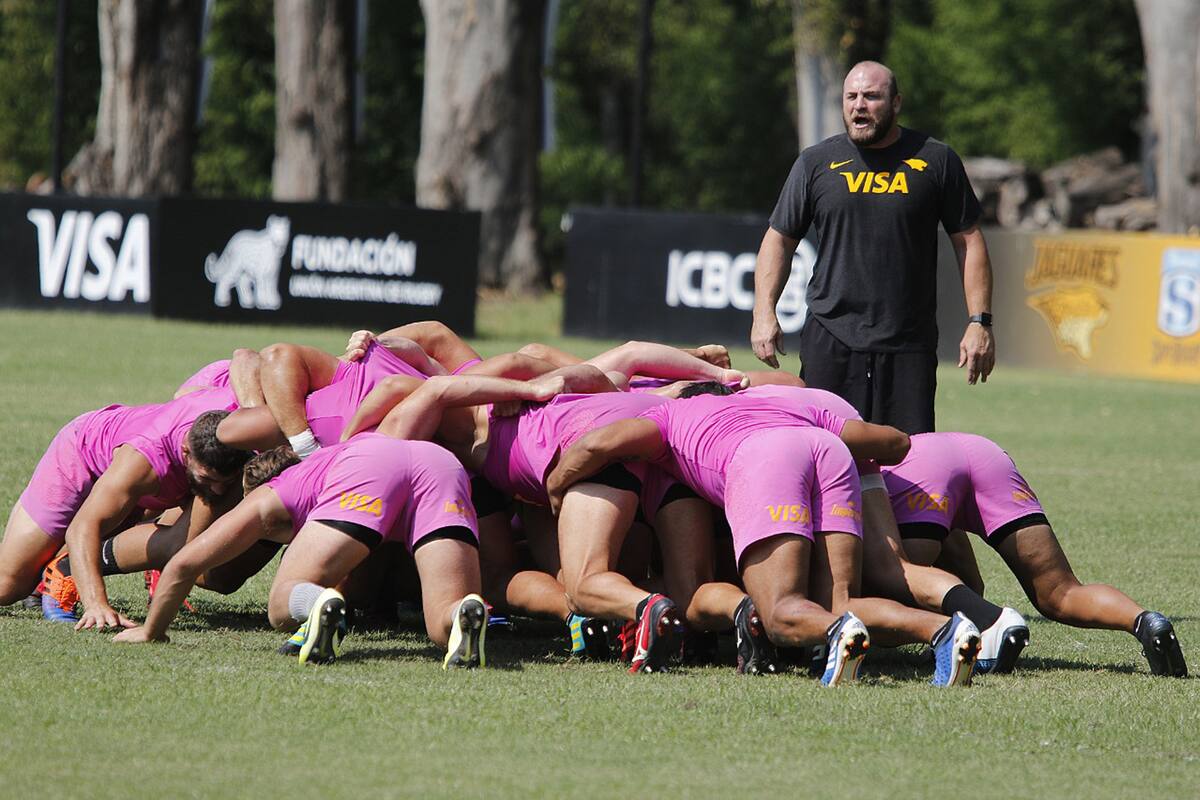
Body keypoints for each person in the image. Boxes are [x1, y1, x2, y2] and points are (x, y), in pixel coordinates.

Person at [545, 388, 984, 687]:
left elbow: (596, 444)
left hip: (762, 458)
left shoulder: (670, 412)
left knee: (780, 614)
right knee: (840, 599)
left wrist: (556, 486)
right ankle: (945, 632)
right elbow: (895, 443)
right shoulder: (778, 401)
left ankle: (837, 634)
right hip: (827, 449)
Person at [751, 60, 995, 434]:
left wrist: (979, 322)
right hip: (831, 336)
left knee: (907, 457)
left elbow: (969, 240)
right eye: (851, 96)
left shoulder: (936, 159)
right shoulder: (816, 162)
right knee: (825, 452)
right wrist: (763, 312)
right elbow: (779, 239)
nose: (859, 105)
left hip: (907, 342)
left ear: (896, 103)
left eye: (871, 96)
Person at [114, 434, 488, 670]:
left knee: (281, 602)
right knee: (443, 624)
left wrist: (151, 631)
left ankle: (317, 604)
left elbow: (185, 561)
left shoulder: (271, 492)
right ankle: (461, 613)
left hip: (369, 466)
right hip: (441, 465)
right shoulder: (316, 471)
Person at [883, 431, 1188, 677]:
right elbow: (969, 580)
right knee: (1061, 592)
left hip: (920, 471)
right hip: (984, 453)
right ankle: (1145, 621)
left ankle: (997, 626)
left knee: (894, 588)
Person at [0, 390, 250, 628]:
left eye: (224, 482)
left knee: (186, 541)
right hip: (81, 454)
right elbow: (83, 528)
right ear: (186, 453)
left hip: (146, 483)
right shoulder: (144, 459)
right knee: (9, 585)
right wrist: (96, 604)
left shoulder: (242, 420)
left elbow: (244, 359)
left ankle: (53, 573)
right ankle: (50, 575)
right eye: (207, 479)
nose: (217, 490)